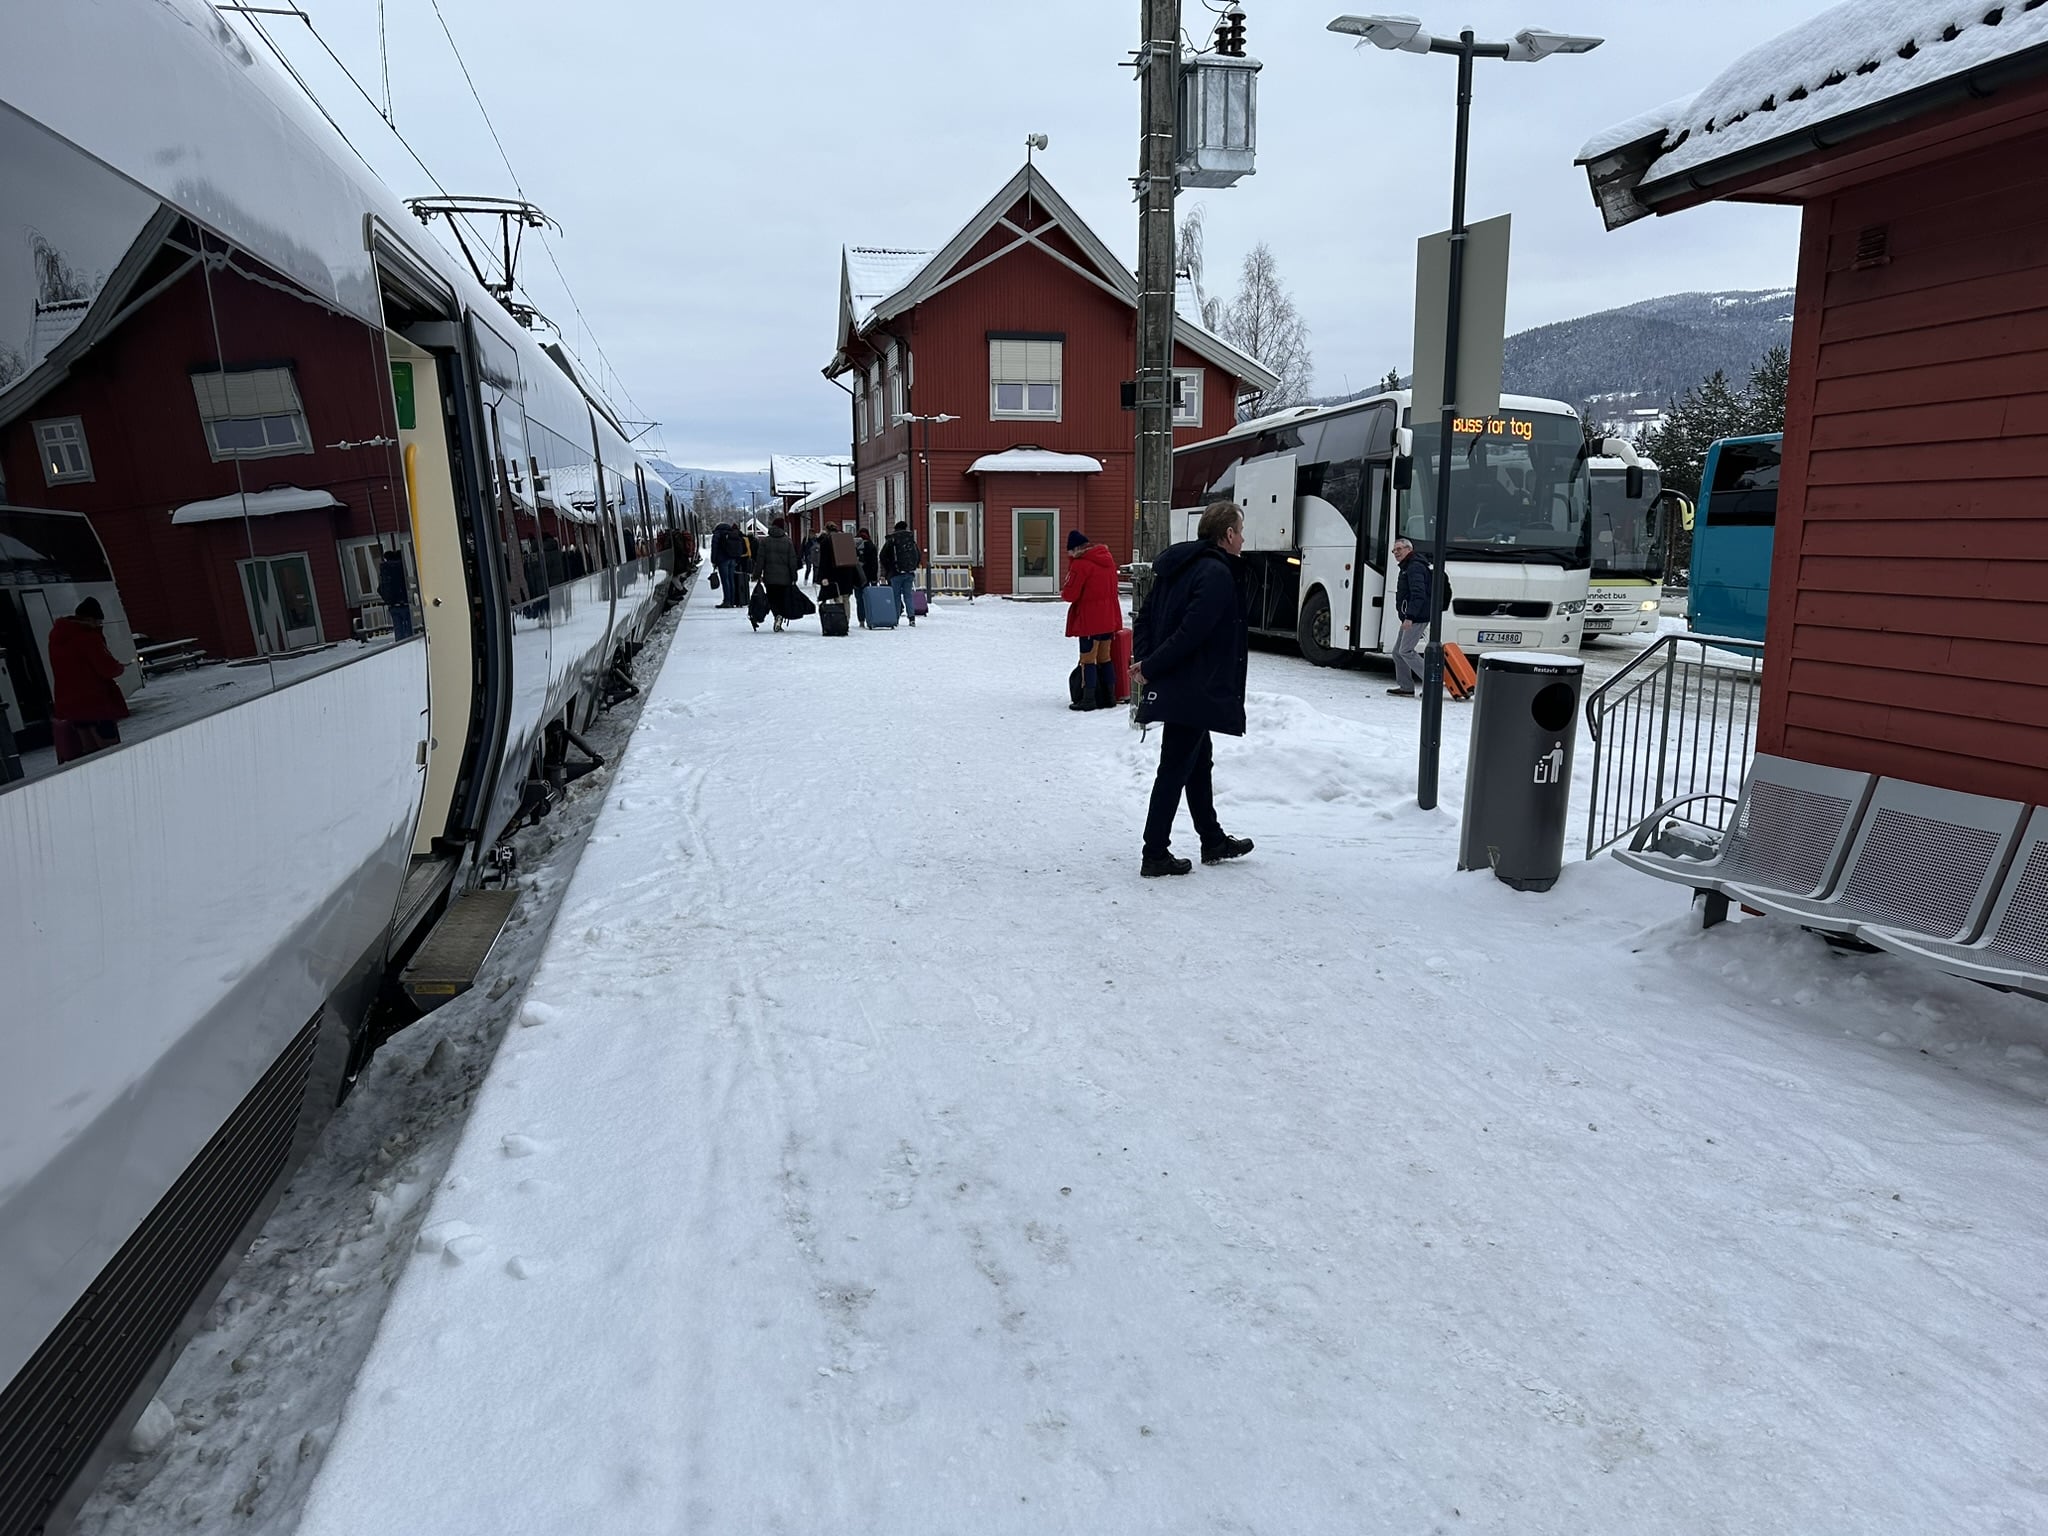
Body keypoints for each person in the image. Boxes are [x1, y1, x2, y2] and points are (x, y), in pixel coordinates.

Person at [1130, 502, 1255, 878]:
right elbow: (1193, 632)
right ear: (1228, 535)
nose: (1243, 539)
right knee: (1174, 768)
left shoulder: (1177, 565)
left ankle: (1212, 839)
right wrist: (1150, 667)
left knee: (1197, 762)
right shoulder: (1216, 572)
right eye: (1240, 531)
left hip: (1183, 684)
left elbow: (1146, 616)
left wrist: (1148, 660)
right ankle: (1155, 852)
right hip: (1196, 684)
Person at [47, 596, 129, 765]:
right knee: (111, 752)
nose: (99, 625)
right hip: (95, 702)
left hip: (71, 706)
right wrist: (120, 667)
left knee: (89, 752)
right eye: (98, 622)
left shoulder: (57, 637)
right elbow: (107, 668)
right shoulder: (87, 637)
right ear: (90, 619)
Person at [1061, 528, 1122, 710]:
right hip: (1109, 618)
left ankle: (1089, 699)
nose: (1069, 555)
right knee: (1105, 658)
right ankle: (1110, 697)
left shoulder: (1080, 565)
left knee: (1088, 659)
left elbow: (1071, 594)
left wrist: (1064, 592)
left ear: (1076, 549)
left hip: (1090, 620)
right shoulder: (1108, 560)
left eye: (1070, 551)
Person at [1389, 536, 1437, 697]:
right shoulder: (1408, 565)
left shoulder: (1415, 566)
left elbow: (1418, 594)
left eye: (1399, 549)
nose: (1396, 553)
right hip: (1410, 616)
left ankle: (1432, 684)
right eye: (1394, 550)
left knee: (1406, 650)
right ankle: (1406, 687)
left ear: (1409, 549)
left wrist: (1410, 616)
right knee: (1397, 652)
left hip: (1416, 616)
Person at [756, 516, 800, 632]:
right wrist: (794, 576)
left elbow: (760, 560)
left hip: (769, 578)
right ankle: (780, 616)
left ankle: (777, 615)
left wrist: (756, 574)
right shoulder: (788, 541)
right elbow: (792, 561)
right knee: (782, 598)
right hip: (785, 578)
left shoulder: (765, 541)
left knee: (772, 599)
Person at [881, 520, 922, 626]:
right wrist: (913, 566)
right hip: (909, 572)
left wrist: (888, 569)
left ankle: (896, 618)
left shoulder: (892, 539)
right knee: (908, 595)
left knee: (896, 596)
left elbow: (882, 556)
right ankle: (911, 618)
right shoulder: (910, 539)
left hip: (895, 572)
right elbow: (918, 554)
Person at [377, 547, 413, 639]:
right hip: (405, 603)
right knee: (409, 629)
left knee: (398, 629)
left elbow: (380, 589)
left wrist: (388, 599)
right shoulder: (402, 567)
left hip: (393, 604)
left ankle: (400, 644)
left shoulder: (384, 569)